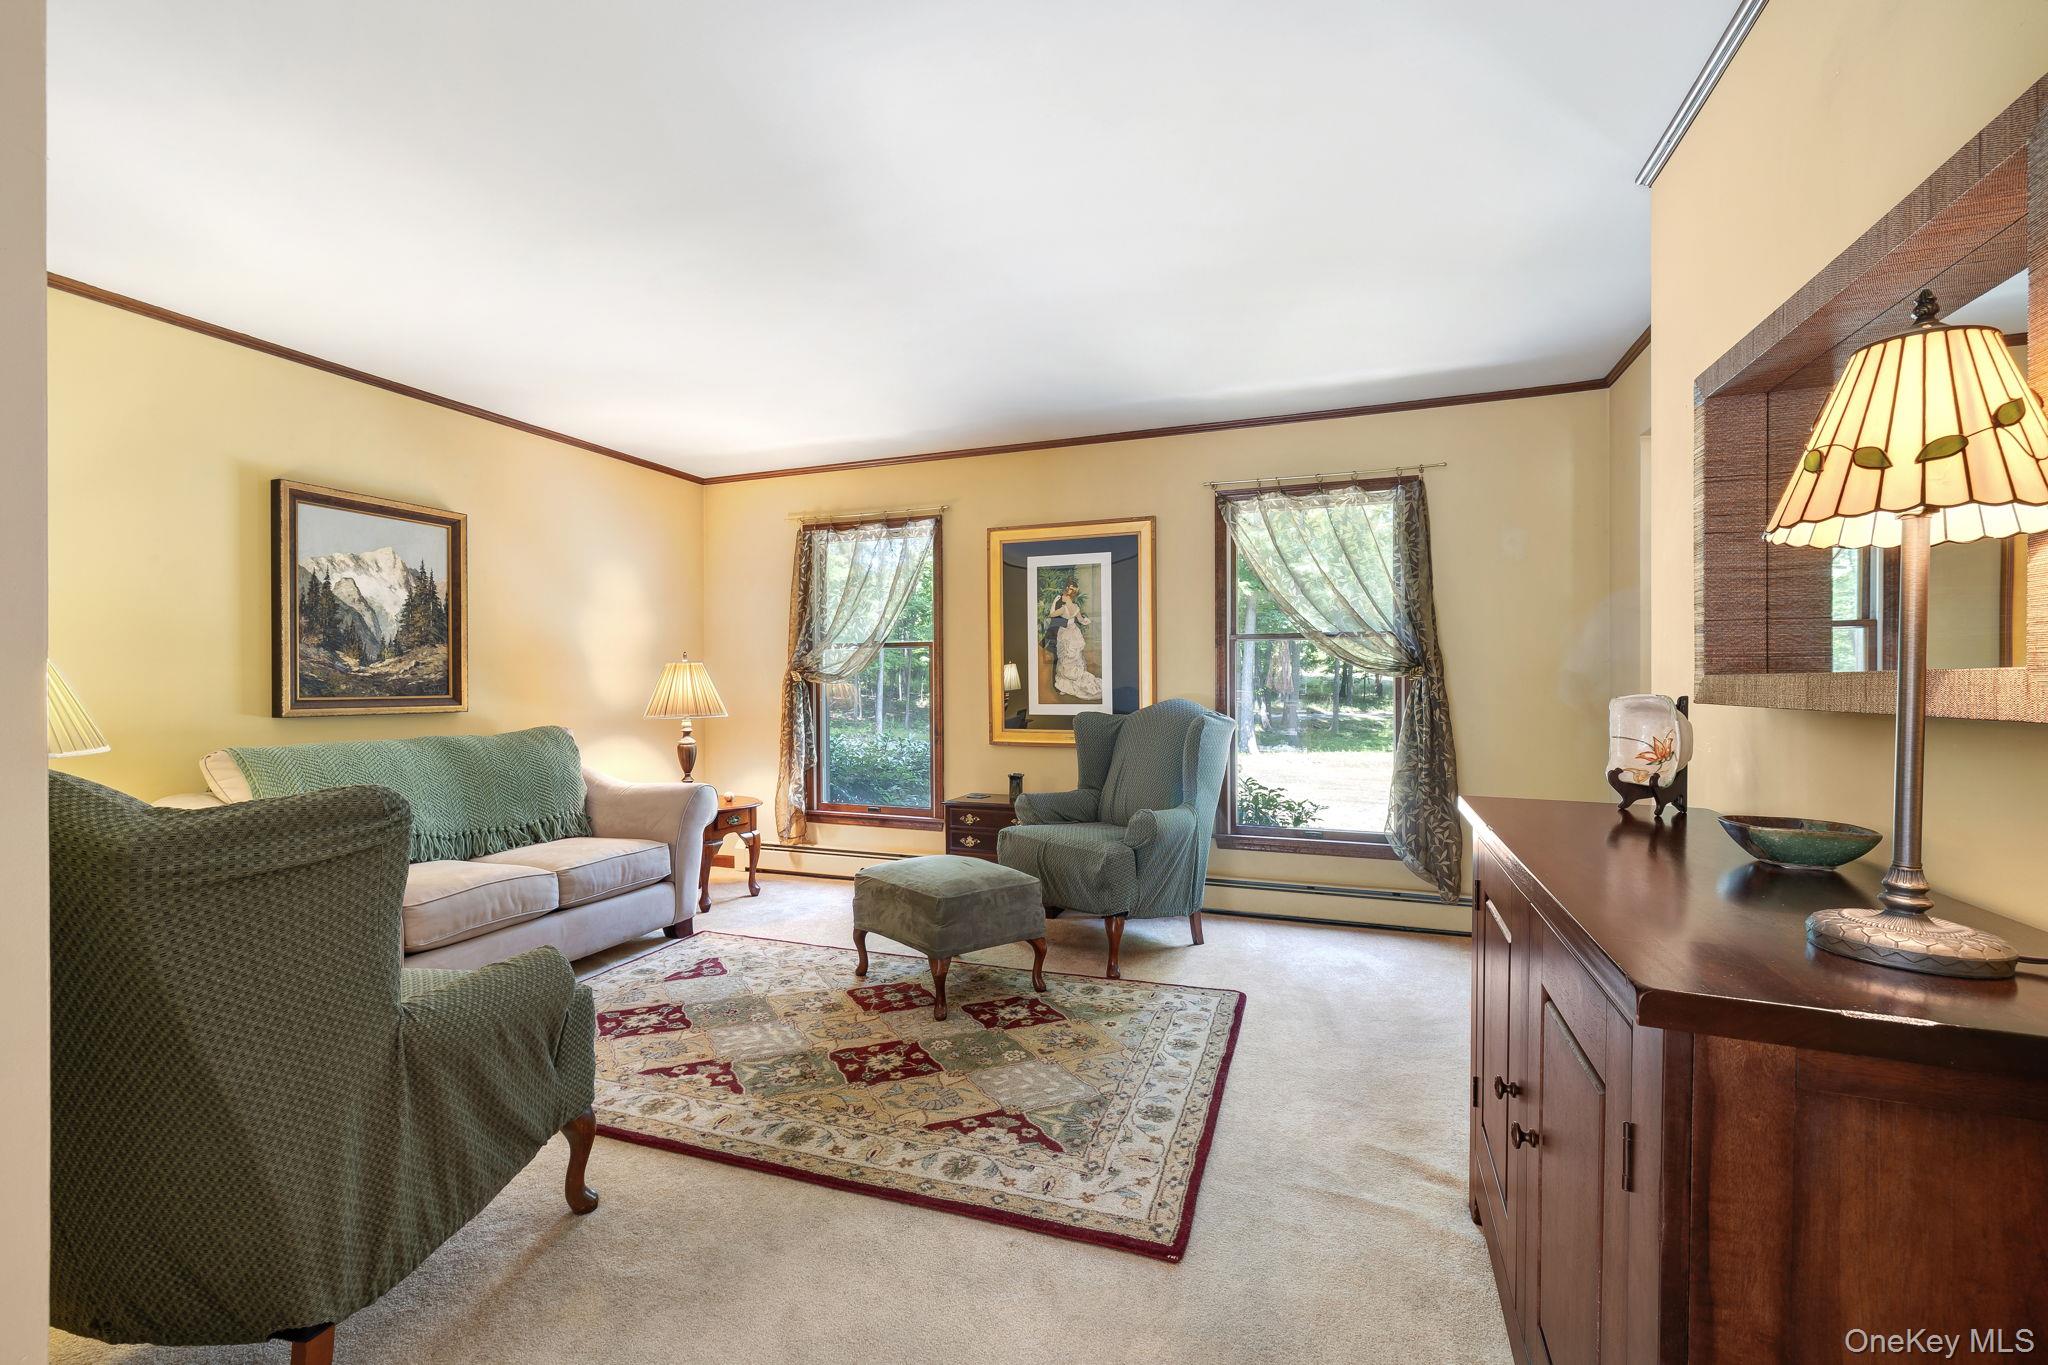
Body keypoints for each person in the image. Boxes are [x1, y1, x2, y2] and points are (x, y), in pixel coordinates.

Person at [1042, 581, 1103, 702]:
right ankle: (1068, 684)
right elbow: (1081, 620)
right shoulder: (1075, 607)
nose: (1062, 597)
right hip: (1074, 633)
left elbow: (1051, 614)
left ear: (1067, 598)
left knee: (1065, 660)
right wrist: (1087, 621)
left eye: (1063, 596)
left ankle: (1065, 685)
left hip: (1065, 634)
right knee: (1074, 659)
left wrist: (1055, 601)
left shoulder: (1063, 609)